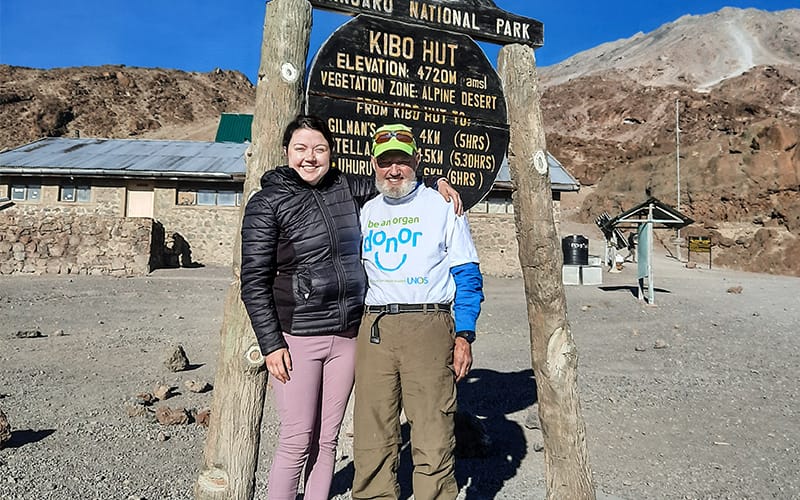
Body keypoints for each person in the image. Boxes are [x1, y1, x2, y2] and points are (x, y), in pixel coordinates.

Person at [239, 115, 461, 500]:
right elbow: (253, 280)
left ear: (331, 154)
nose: (310, 158)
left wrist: (436, 181)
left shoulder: (346, 187)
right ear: (286, 152)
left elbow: (396, 179)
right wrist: (271, 342)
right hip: (298, 337)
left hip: (346, 336)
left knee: (327, 439)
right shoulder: (267, 203)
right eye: (301, 149)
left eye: (319, 149)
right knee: (296, 439)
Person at [352, 124, 484, 499]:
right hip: (375, 326)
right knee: (371, 432)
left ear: (417, 160)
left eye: (402, 161)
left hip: (429, 322)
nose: (394, 170)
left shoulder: (444, 206)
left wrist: (464, 334)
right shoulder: (366, 211)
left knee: (433, 431)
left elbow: (468, 274)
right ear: (373, 164)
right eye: (385, 161)